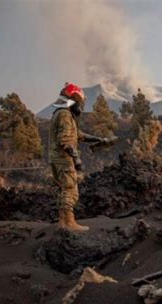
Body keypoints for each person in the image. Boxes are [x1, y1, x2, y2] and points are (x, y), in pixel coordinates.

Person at [49, 82, 116, 232]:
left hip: (56, 157)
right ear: (74, 100)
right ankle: (69, 223)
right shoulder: (65, 115)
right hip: (63, 158)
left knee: (63, 189)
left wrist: (98, 139)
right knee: (71, 189)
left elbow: (78, 135)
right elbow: (65, 140)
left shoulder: (60, 114)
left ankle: (62, 222)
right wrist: (76, 158)